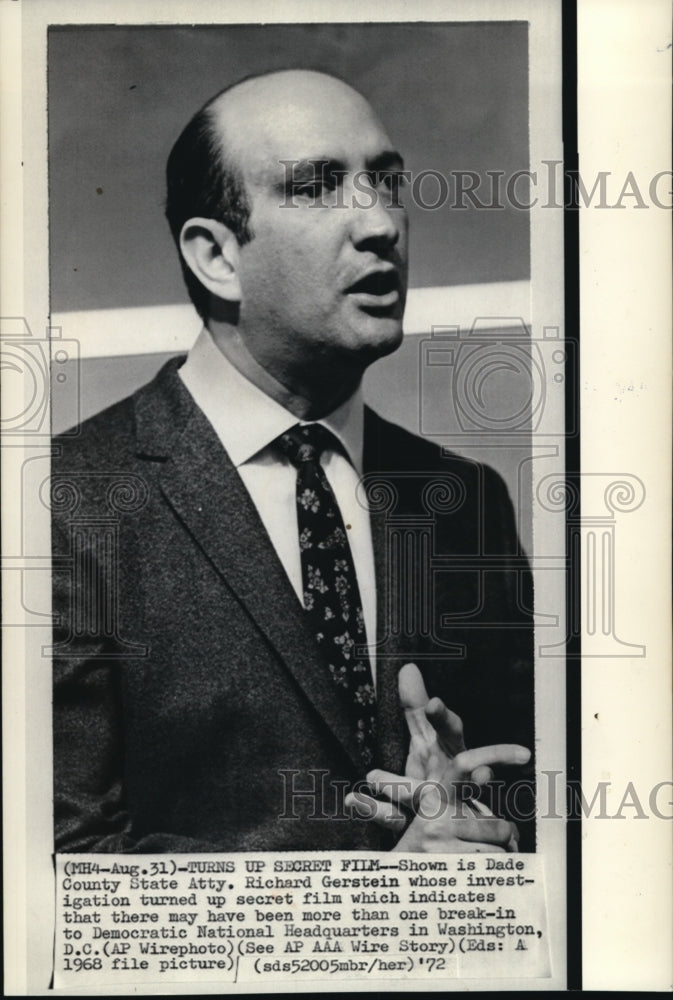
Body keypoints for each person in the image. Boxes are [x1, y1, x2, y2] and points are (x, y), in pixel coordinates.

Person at [52, 69, 535, 854]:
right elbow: (55, 864)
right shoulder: (62, 503)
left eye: (386, 183)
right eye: (315, 188)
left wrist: (485, 828)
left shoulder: (464, 500)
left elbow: (536, 801)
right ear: (216, 256)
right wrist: (366, 897)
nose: (380, 224)